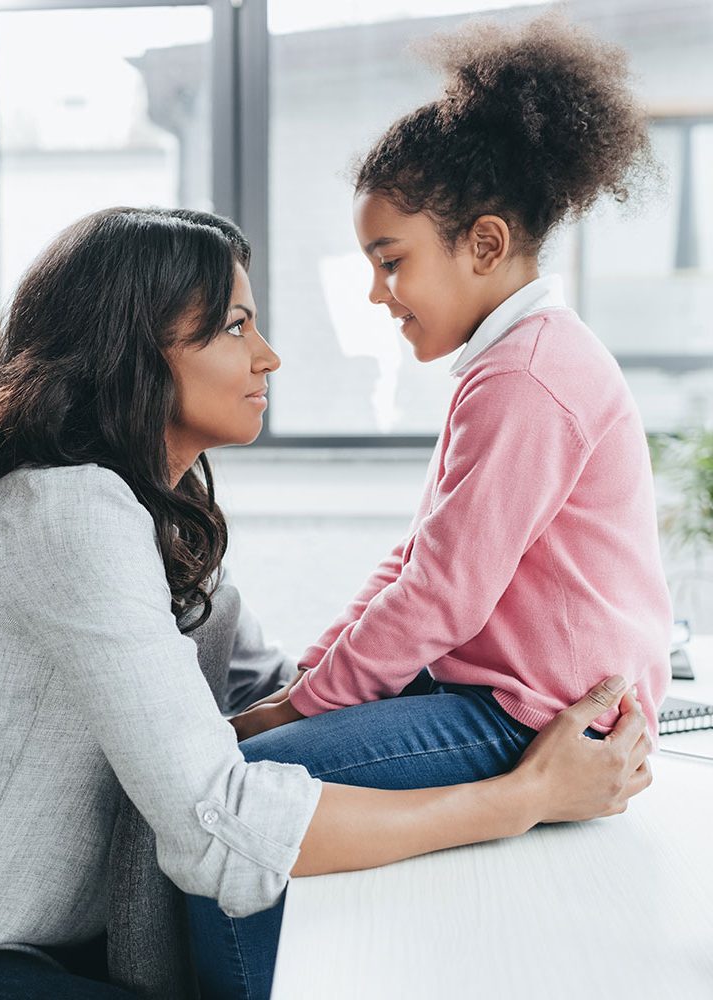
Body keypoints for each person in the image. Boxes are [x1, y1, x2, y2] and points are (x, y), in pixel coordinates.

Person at [0, 206, 650, 1000]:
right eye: (232, 327)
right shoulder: (65, 515)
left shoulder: (150, 521)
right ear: (133, 354)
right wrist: (525, 794)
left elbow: (272, 696)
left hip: (38, 942)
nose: (269, 355)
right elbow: (217, 823)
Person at [190, 13, 672, 998]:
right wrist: (316, 675)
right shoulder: (512, 362)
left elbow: (439, 597)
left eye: (391, 258)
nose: (377, 292)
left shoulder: (527, 377)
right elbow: (418, 562)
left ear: (484, 244)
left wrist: (295, 705)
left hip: (529, 718)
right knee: (258, 742)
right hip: (493, 693)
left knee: (233, 808)